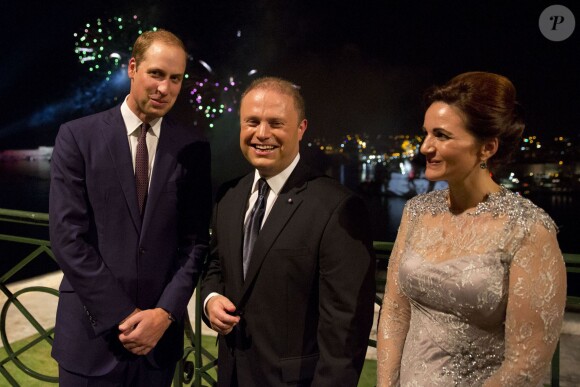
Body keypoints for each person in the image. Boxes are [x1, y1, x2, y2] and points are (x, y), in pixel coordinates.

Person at [377, 71, 567, 386]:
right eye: (425, 133)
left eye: (441, 135)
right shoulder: (416, 212)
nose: (425, 147)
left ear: (487, 148)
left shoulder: (528, 230)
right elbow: (395, 313)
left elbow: (525, 366)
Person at [49, 29, 211, 386]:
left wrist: (164, 315)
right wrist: (125, 315)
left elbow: (196, 243)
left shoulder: (194, 148)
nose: (165, 88)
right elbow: (67, 239)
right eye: (156, 74)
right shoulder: (77, 136)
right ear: (133, 68)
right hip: (90, 340)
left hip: (158, 345)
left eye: (175, 79)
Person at [201, 76, 376, 386]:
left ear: (301, 128)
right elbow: (216, 265)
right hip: (229, 376)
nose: (262, 133)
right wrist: (211, 299)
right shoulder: (228, 197)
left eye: (276, 123)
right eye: (252, 122)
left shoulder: (337, 207)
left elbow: (345, 331)